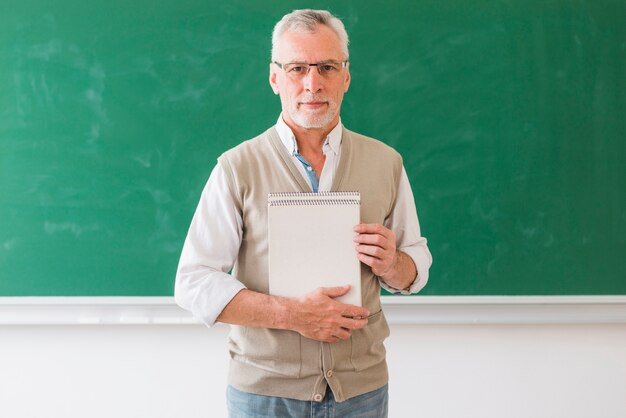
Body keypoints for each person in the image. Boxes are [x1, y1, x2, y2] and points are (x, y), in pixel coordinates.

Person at [175, 9, 432, 417]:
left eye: (327, 67)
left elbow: (415, 266)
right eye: (297, 68)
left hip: (361, 392)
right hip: (264, 395)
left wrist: (394, 262)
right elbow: (192, 283)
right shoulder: (236, 168)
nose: (312, 83)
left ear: (346, 76)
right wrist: (294, 315)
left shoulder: (386, 163)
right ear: (275, 77)